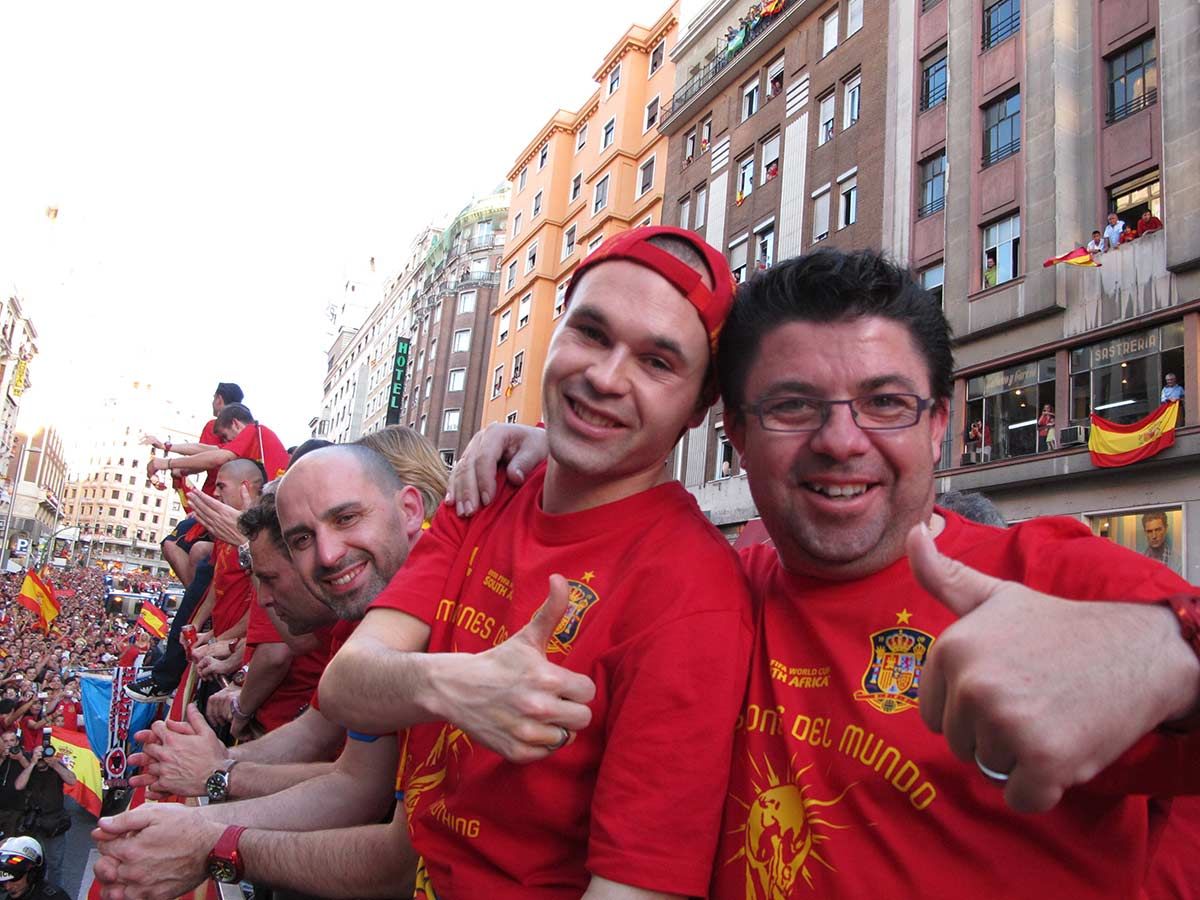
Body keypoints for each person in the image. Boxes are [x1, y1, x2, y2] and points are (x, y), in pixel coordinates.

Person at [451, 248, 1200, 897]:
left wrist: (1163, 653)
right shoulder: (706, 596)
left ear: (938, 424)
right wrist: (565, 447)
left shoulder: (1048, 576)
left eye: (885, 402)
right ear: (736, 435)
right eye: (792, 406)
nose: (841, 441)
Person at [319, 226, 753, 899]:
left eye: (658, 363)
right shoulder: (486, 489)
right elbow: (346, 685)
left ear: (700, 408)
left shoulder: (692, 596)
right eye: (591, 333)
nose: (605, 378)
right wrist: (454, 686)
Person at [90, 441, 449, 899]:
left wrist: (209, 830)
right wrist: (213, 784)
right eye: (302, 538)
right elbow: (355, 781)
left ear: (410, 508)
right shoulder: (370, 615)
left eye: (347, 518)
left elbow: (397, 860)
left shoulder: (446, 611)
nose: (328, 554)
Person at [13, 739, 75, 887]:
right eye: (38, 755)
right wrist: (33, 762)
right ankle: (33, 890)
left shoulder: (56, 766)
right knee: (31, 861)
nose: (42, 760)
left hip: (54, 821)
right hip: (34, 822)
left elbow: (72, 780)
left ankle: (54, 891)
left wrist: (54, 763)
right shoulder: (30, 767)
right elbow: (19, 785)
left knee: (55, 863)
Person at [0, 836, 68, 900]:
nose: (8, 887)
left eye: (15, 878)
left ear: (32, 873)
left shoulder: (56, 898)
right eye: (3, 879)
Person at [0, 733, 30, 839]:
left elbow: (31, 771)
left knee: (10, 840)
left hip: (15, 807)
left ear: (16, 742)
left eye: (11, 741)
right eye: (5, 741)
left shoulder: (24, 755)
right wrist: (2, 757)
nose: (9, 744)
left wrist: (20, 757)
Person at [1142, 511, 1181, 576]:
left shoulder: (1179, 563)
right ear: (1145, 532)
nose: (1154, 536)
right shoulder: (1138, 560)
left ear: (1166, 529)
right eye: (1149, 531)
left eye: (1158, 530)